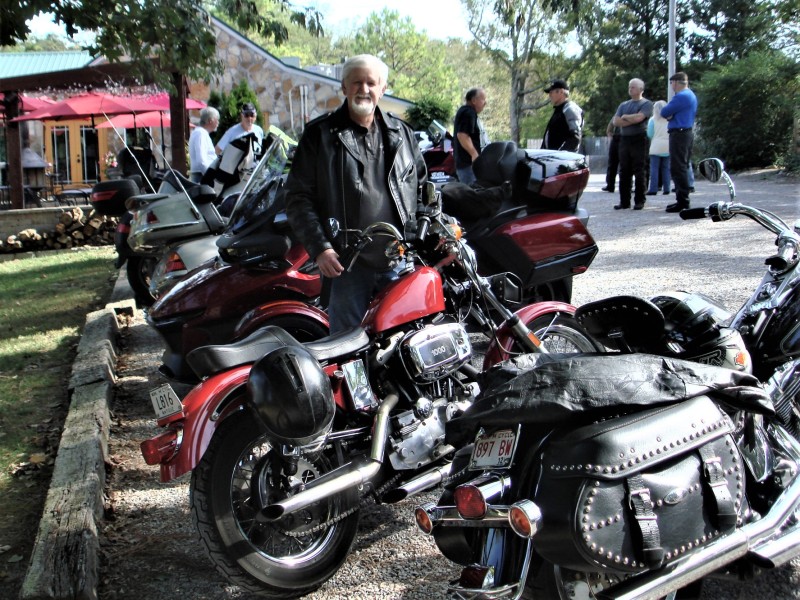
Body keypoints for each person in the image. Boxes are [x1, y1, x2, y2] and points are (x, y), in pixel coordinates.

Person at [285, 54, 427, 334]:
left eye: (371, 83)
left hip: (398, 259)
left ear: (383, 89)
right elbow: (298, 198)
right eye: (357, 82)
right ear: (344, 87)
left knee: (404, 339)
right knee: (347, 345)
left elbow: (424, 190)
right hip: (348, 264)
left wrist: (426, 238)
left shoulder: (402, 134)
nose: (364, 89)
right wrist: (320, 248)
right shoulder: (320, 135)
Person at [611, 78, 653, 210]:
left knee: (640, 170)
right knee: (624, 171)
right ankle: (624, 202)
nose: (630, 89)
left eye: (633, 87)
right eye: (629, 87)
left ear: (641, 89)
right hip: (624, 139)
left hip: (639, 139)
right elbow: (616, 122)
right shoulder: (623, 105)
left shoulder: (646, 103)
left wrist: (625, 117)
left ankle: (640, 201)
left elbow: (640, 118)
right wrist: (631, 119)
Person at [660, 72, 697, 213]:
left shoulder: (681, 96)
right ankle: (682, 199)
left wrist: (671, 115)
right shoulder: (690, 95)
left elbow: (664, 112)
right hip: (685, 133)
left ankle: (683, 201)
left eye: (671, 83)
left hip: (679, 134)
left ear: (676, 82)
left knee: (678, 167)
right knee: (682, 165)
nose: (671, 87)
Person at [453, 87, 489, 185]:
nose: (485, 103)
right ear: (473, 100)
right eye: (483, 99)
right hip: (468, 165)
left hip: (465, 165)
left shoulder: (466, 111)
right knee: (471, 196)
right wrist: (474, 154)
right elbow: (462, 135)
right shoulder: (468, 113)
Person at [541, 79, 583, 152]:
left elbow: (575, 137)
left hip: (562, 160)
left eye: (551, 92)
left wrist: (560, 155)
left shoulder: (570, 109)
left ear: (561, 92)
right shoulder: (559, 110)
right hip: (552, 158)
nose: (550, 95)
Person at [188, 107, 220, 182]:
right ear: (210, 121)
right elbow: (201, 161)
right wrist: (211, 177)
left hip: (202, 175)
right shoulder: (200, 134)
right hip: (201, 177)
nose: (218, 123)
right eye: (217, 120)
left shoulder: (201, 133)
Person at [646, 100, 671, 196]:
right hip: (667, 145)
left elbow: (650, 134)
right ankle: (667, 188)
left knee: (654, 169)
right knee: (666, 168)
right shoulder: (669, 119)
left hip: (656, 146)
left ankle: (653, 189)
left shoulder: (653, 120)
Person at [601, 117, 620, 192]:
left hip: (623, 138)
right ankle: (610, 184)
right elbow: (611, 124)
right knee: (612, 163)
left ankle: (612, 185)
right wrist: (609, 133)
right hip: (618, 138)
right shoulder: (621, 111)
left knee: (624, 164)